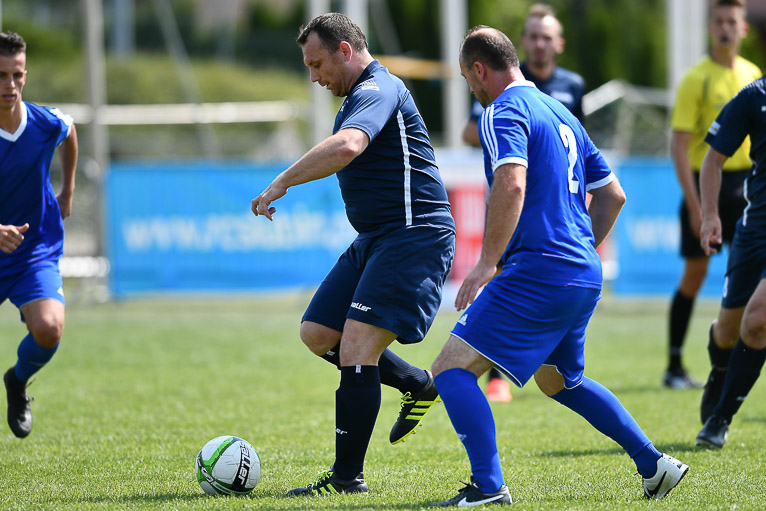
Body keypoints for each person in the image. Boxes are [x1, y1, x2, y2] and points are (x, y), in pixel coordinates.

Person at [429, 26, 688, 507]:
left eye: (467, 78)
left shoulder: (501, 110)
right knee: (559, 381)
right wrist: (580, 249)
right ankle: (653, 463)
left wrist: (486, 264)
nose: (471, 89)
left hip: (539, 270)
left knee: (449, 370)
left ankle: (488, 487)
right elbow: (613, 195)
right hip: (582, 271)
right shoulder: (560, 112)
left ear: (479, 70)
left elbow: (511, 183)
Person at [251, 13, 456, 496]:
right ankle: (418, 383)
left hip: (413, 235)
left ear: (345, 51)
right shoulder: (357, 96)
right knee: (318, 333)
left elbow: (347, 146)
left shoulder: (379, 89)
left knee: (358, 347)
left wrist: (282, 181)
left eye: (317, 64)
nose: (314, 77)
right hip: (376, 238)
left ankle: (346, 480)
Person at [462, 3, 585, 403]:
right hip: (529, 218)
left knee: (449, 371)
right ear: (522, 44)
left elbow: (578, 153)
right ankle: (497, 376)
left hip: (549, 218)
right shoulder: (502, 91)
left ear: (559, 44)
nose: (539, 43)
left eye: (546, 37)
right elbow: (471, 132)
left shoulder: (567, 89)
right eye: (532, 36)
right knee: (560, 381)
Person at [665, 0, 760, 391]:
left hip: (748, 187)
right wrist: (697, 206)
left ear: (743, 29)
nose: (725, 28)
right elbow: (680, 146)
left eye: (731, 22)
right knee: (695, 275)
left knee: (753, 280)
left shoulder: (753, 75)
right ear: (709, 27)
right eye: (718, 21)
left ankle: (737, 363)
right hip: (707, 184)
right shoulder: (696, 79)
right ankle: (674, 365)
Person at [0, 31, 78, 439]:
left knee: (49, 329)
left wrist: (68, 190)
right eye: (0, 75)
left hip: (34, 252)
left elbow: (70, 130)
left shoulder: (44, 123)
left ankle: (16, 380)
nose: (9, 84)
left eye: (17, 75)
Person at [695, 75, 766, 449]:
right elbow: (713, 160)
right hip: (754, 233)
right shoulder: (754, 96)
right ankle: (721, 369)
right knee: (727, 333)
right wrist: (710, 216)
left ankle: (720, 418)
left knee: (758, 321)